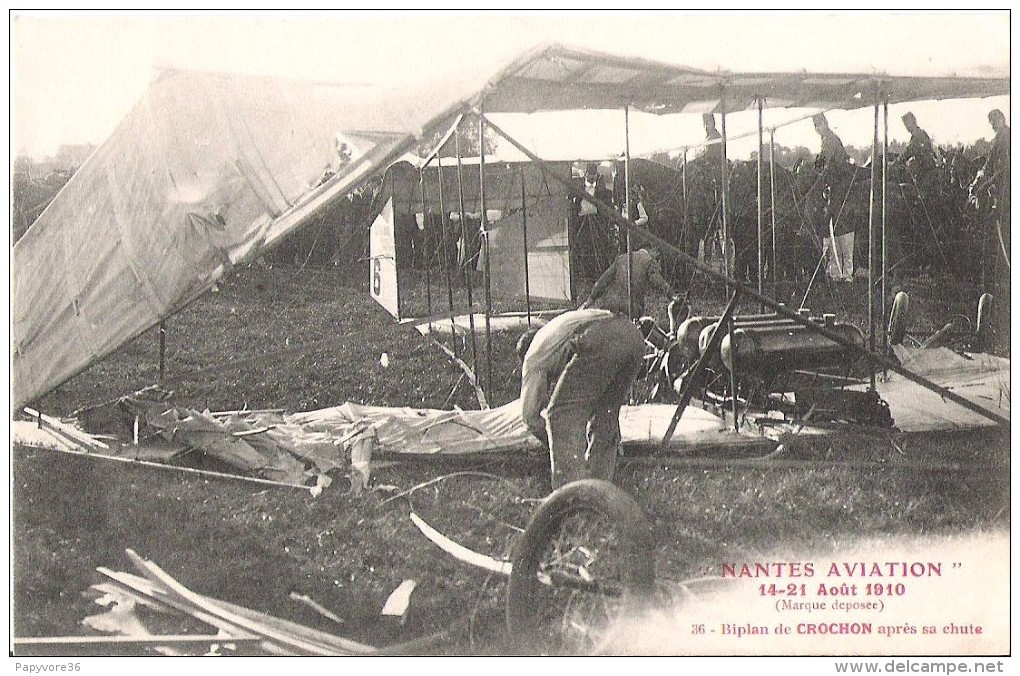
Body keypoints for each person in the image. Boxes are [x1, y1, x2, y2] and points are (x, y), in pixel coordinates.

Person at [517, 308, 646, 489]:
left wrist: (557, 445)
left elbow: (529, 417)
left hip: (600, 336)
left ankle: (573, 496)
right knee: (604, 415)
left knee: (560, 415)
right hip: (633, 336)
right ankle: (602, 492)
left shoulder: (534, 358)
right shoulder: (556, 332)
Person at [812, 113, 855, 283]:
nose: (817, 129)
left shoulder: (830, 139)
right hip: (835, 183)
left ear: (825, 123)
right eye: (815, 126)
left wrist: (815, 169)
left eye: (818, 125)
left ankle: (846, 272)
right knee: (834, 228)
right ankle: (837, 272)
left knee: (835, 223)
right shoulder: (826, 139)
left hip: (840, 184)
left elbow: (825, 161)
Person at [581, 247, 681, 319]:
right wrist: (673, 296)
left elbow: (603, 280)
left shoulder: (621, 259)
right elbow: (658, 282)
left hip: (611, 304)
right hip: (632, 307)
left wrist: (589, 300)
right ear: (654, 252)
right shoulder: (648, 261)